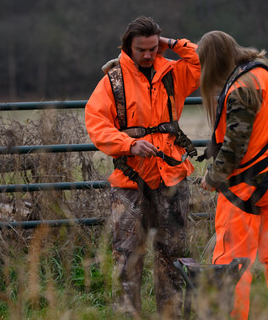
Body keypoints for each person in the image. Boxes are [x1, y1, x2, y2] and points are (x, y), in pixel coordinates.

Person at [84, 16, 201, 318]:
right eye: (141, 49)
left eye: (153, 48)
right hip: (129, 182)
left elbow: (203, 61)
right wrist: (129, 144)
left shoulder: (174, 73)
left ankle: (171, 315)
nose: (148, 55)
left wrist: (174, 44)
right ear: (128, 47)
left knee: (174, 256)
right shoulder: (113, 81)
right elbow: (96, 124)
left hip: (171, 177)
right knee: (126, 259)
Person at [197, 30, 268, 320]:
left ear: (213, 63)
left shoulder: (240, 89)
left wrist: (212, 177)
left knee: (231, 263)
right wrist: (171, 44)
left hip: (243, 187)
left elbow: (235, 145)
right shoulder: (264, 73)